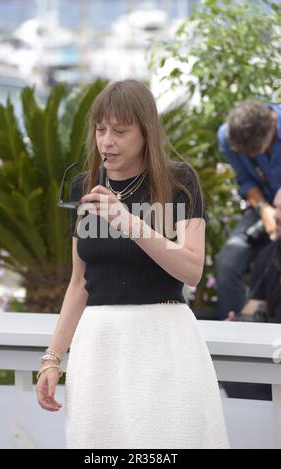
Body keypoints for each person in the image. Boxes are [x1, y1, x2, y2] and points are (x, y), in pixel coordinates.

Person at [36, 79, 229, 449]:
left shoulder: (178, 182)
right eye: (100, 129)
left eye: (120, 131)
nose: (106, 141)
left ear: (146, 133)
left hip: (163, 341)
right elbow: (79, 283)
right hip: (100, 347)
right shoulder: (84, 188)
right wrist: (52, 359)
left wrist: (128, 221)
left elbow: (191, 270)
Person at [215, 100, 281, 320]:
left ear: (272, 125)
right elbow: (245, 180)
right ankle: (237, 336)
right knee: (227, 264)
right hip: (261, 206)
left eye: (256, 151)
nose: (252, 157)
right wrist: (264, 209)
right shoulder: (227, 136)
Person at [220, 188, 281, 401]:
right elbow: (255, 307)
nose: (276, 215)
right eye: (277, 208)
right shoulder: (269, 256)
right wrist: (238, 326)